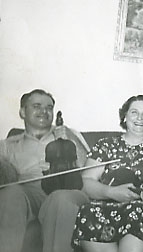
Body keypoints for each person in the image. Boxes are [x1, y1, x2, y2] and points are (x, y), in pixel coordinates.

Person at [71, 95, 143, 252]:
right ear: (124, 116)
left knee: (139, 212)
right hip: (103, 208)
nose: (139, 118)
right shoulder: (106, 145)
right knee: (88, 211)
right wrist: (111, 192)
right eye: (134, 112)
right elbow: (86, 182)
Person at [0, 89, 90, 252]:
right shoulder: (7, 145)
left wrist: (71, 139)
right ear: (22, 112)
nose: (44, 111)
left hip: (67, 191)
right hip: (29, 195)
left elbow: (89, 166)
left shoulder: (69, 134)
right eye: (37, 106)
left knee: (60, 199)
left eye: (49, 107)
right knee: (11, 193)